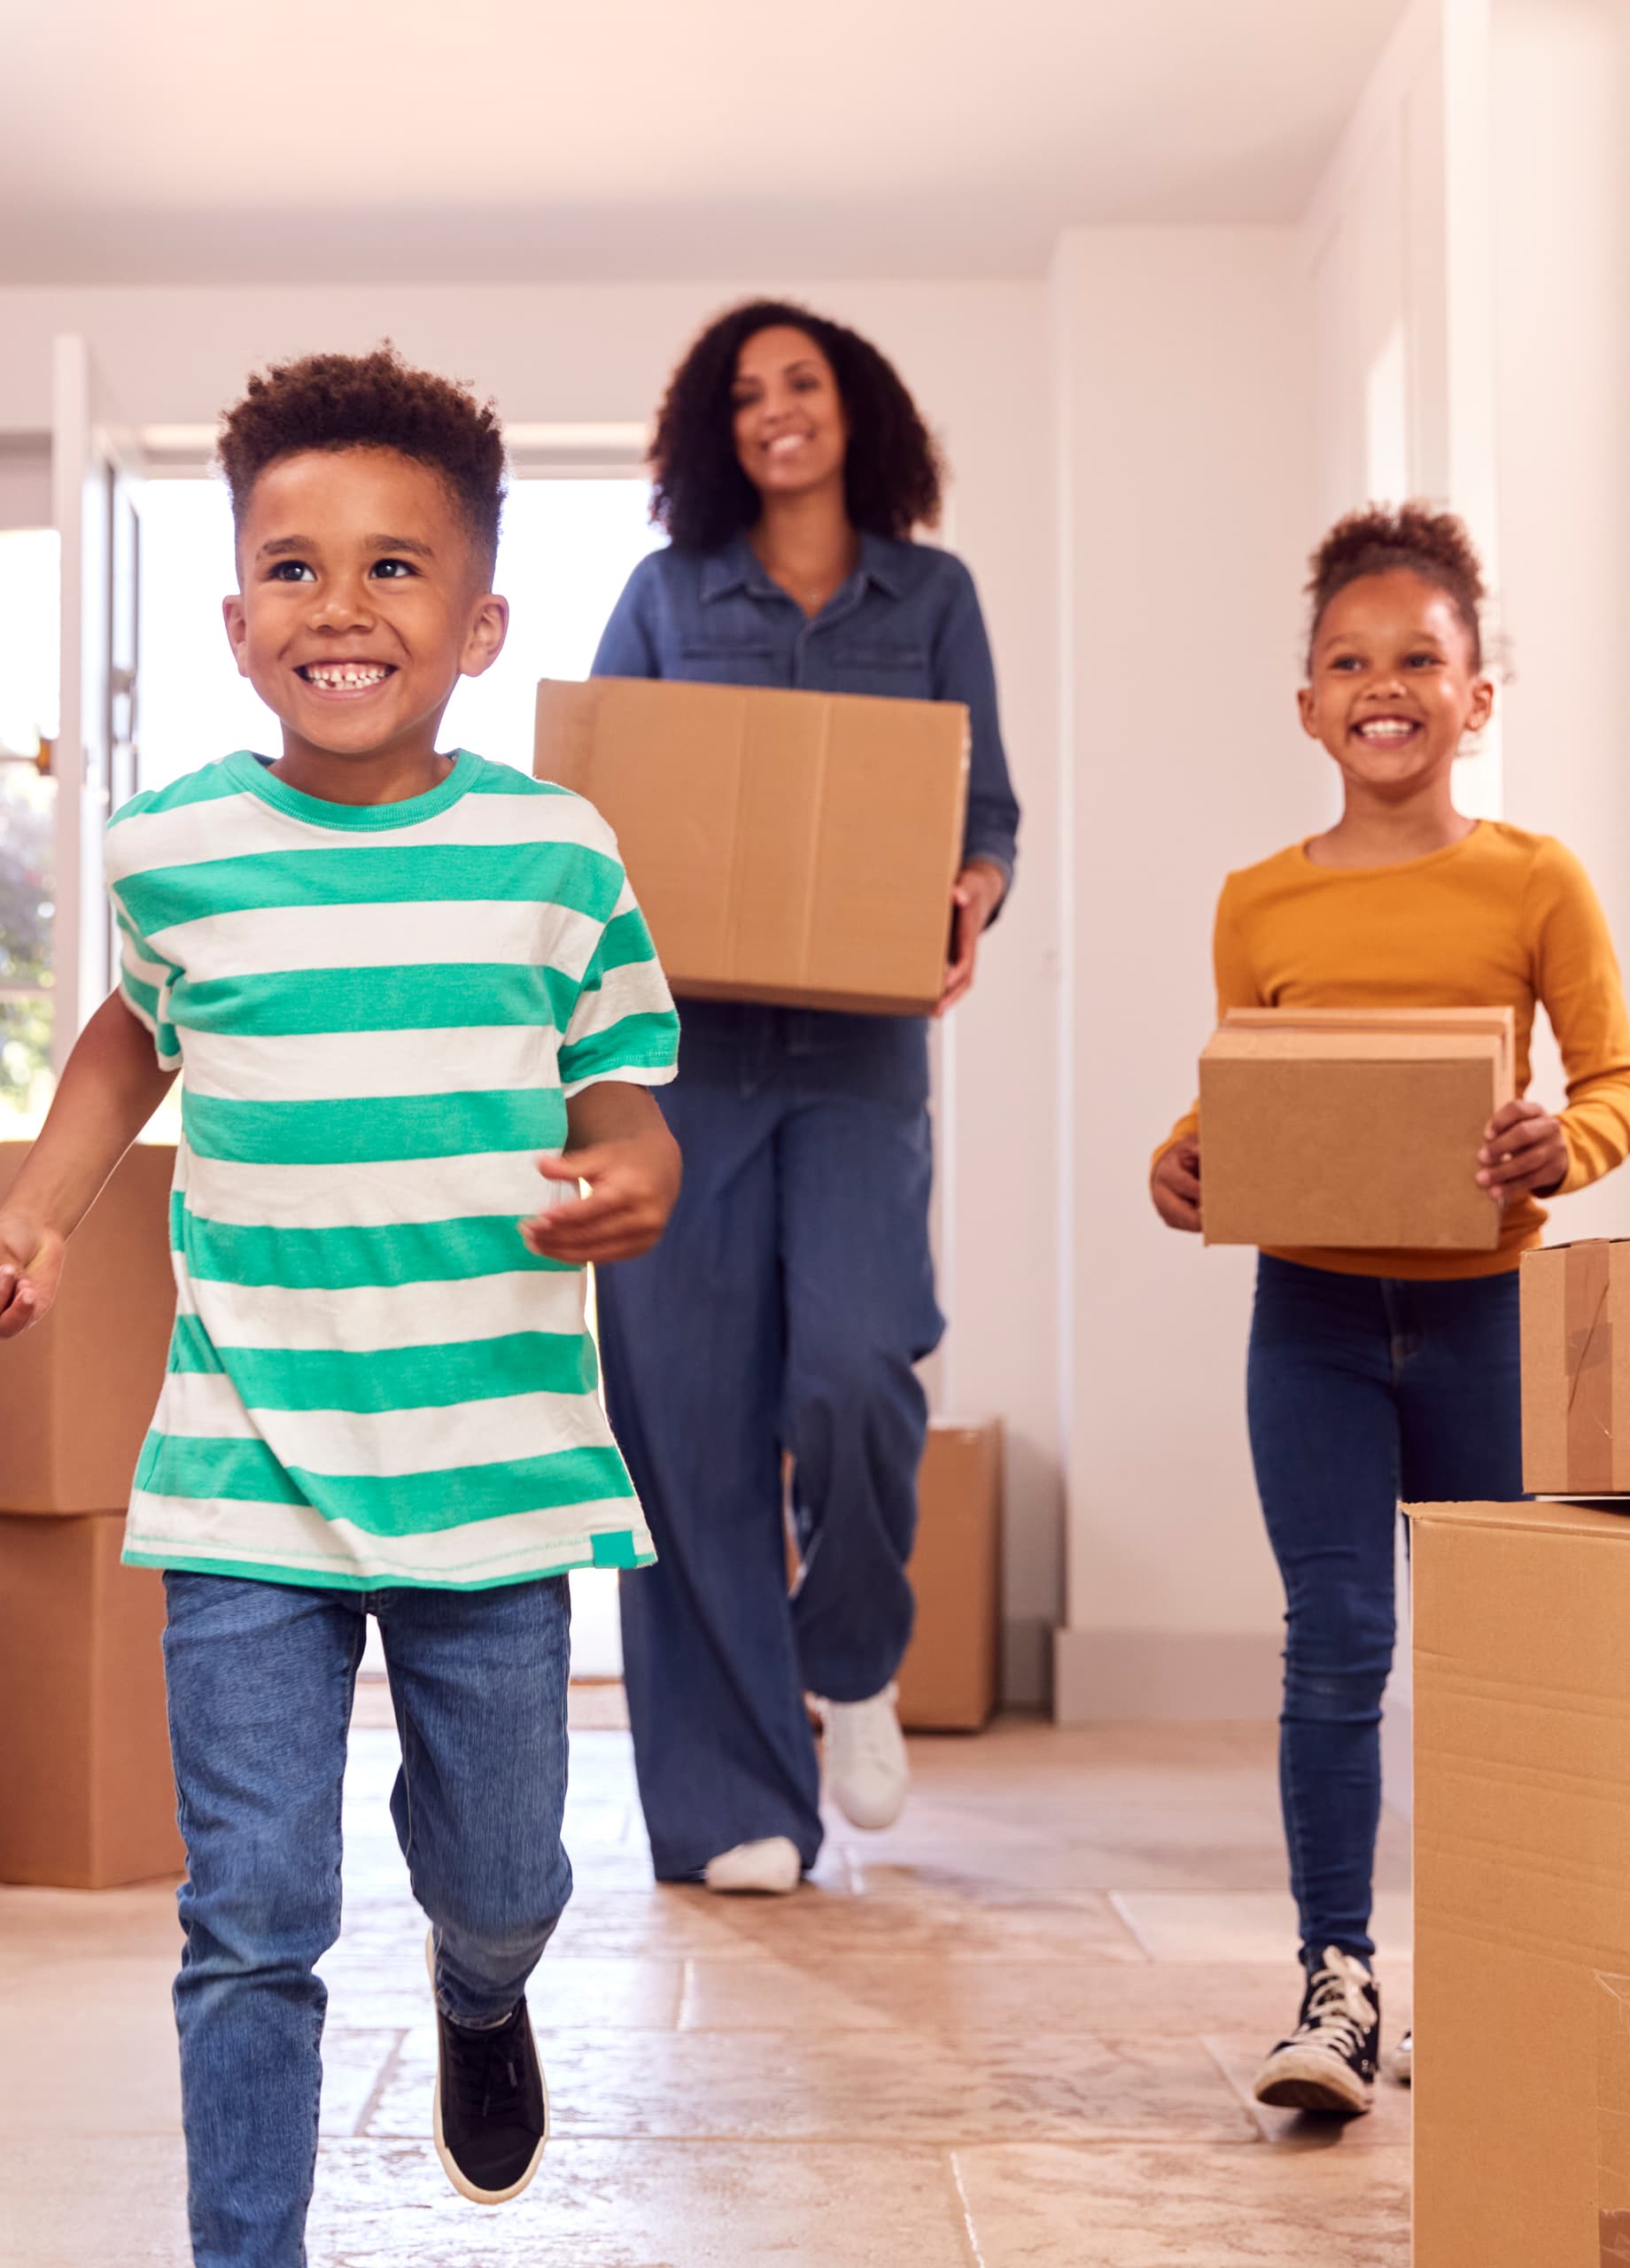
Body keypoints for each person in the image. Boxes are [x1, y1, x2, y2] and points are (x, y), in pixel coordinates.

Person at [0, 349, 684, 2266]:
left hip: (488, 1461)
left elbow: (621, 1091)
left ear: (480, 624)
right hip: (244, 1462)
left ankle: (481, 1985)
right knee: (251, 1916)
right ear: (235, 619)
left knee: (506, 1876)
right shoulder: (177, 853)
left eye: (393, 568)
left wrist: (641, 1171)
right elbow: (131, 1038)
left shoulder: (556, 855)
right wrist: (38, 1210)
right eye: (293, 567)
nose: (339, 607)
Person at [1145, 503, 1630, 2117]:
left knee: (1493, 1658)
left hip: (1485, 1320)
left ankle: (1493, 1972)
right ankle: (1337, 1983)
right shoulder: (1259, 902)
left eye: (1419, 660)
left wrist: (1563, 1144)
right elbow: (1247, 1092)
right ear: (1308, 705)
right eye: (1350, 663)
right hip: (1309, 1323)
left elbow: (1619, 1081)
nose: (1385, 686)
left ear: (1477, 697)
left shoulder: (1536, 880)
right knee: (1341, 1637)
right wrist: (1183, 1159)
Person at [586, 301, 1021, 1894]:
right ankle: (735, 1809)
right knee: (687, 1423)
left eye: (804, 382)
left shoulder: (935, 596)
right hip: (683, 1059)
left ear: (858, 411)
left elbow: (986, 814)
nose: (777, 410)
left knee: (854, 1369)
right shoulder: (665, 596)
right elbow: (597, 810)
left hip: (856, 1058)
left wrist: (971, 892)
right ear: (715, 431)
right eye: (747, 393)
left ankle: (853, 1655)